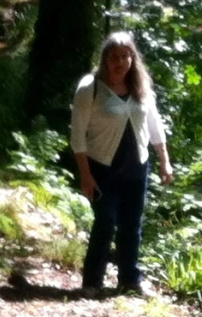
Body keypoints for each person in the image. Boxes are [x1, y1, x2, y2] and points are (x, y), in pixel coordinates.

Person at [70, 31, 174, 295]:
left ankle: (130, 279)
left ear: (132, 59)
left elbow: (154, 126)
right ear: (105, 59)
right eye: (114, 57)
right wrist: (85, 175)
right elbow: (77, 135)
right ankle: (92, 282)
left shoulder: (141, 88)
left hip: (136, 168)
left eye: (125, 56)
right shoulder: (90, 88)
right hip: (100, 168)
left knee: (131, 225)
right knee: (105, 222)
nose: (120, 62)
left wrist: (165, 161)